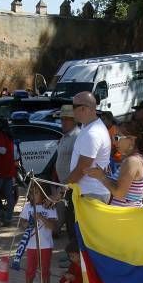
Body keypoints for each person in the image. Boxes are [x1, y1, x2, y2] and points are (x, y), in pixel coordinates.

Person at [87, 122, 143, 207]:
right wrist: (104, 175)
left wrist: (101, 176)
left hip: (126, 217)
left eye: (117, 138)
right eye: (113, 138)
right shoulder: (135, 159)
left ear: (131, 140)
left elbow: (119, 193)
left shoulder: (132, 161)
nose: (114, 142)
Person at [16, 181, 58, 283]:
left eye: (37, 193)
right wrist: (28, 223)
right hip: (31, 244)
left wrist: (41, 217)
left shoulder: (50, 207)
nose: (33, 195)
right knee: (30, 270)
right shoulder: (28, 207)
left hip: (45, 245)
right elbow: (21, 224)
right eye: (32, 193)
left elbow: (53, 227)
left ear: (44, 194)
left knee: (44, 270)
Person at [66, 92, 111, 203]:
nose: (72, 110)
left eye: (74, 107)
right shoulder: (87, 127)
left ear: (83, 109)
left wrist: (62, 189)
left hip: (93, 195)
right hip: (89, 193)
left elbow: (81, 169)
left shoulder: (93, 133)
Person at [54, 104, 80, 245]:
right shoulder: (66, 136)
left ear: (74, 120)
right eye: (62, 119)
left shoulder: (77, 136)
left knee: (72, 219)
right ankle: (72, 252)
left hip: (72, 185)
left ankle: (74, 253)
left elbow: (78, 164)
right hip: (64, 184)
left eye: (66, 119)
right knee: (68, 218)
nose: (63, 122)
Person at [0, 116, 17, 226]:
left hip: (0, 171)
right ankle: (8, 218)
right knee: (9, 196)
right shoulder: (9, 135)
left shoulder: (0, 135)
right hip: (9, 170)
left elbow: (3, 150)